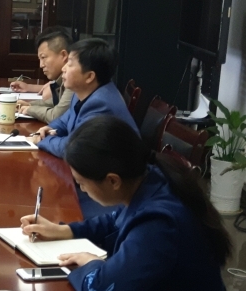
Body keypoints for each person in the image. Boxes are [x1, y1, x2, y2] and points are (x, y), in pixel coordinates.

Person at [20, 116, 230, 291]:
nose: (81, 189)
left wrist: (94, 264)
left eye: (81, 183)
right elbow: (114, 221)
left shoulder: (157, 224)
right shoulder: (151, 178)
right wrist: (63, 231)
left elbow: (102, 286)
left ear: (113, 181)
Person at [32, 38, 138, 158]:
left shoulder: (101, 105)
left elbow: (73, 149)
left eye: (70, 64)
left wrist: (43, 140)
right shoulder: (81, 92)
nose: (63, 69)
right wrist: (49, 128)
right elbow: (64, 120)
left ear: (89, 76)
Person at [10, 26, 74, 123]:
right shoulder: (62, 79)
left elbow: (56, 116)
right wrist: (29, 104)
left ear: (63, 55)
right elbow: (54, 103)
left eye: (43, 57)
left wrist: (29, 109)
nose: (41, 65)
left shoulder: (74, 78)